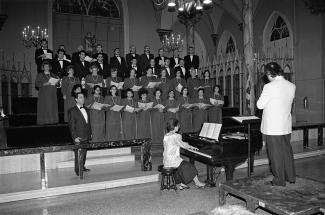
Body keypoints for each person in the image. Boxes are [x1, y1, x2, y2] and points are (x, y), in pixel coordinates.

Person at [257, 62, 296, 186]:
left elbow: (260, 105)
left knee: (275, 153)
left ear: (269, 73)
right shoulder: (291, 85)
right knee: (286, 150)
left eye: (267, 74)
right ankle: (290, 176)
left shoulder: (269, 87)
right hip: (285, 125)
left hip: (273, 126)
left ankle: (279, 180)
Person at [163, 118, 205, 189]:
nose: (179, 127)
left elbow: (178, 143)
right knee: (190, 166)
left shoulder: (166, 135)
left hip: (166, 160)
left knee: (183, 165)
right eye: (178, 126)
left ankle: (183, 184)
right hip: (173, 161)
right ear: (175, 126)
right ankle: (197, 183)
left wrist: (185, 144)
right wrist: (192, 147)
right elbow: (184, 145)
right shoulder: (175, 136)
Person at [68, 92, 92, 176]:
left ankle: (82, 167)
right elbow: (71, 125)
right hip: (78, 136)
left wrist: (90, 133)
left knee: (84, 153)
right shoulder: (72, 111)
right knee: (78, 153)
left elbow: (88, 123)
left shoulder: (87, 109)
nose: (82, 99)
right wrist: (74, 137)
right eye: (80, 97)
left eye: (83, 97)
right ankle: (78, 170)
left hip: (86, 135)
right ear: (76, 99)